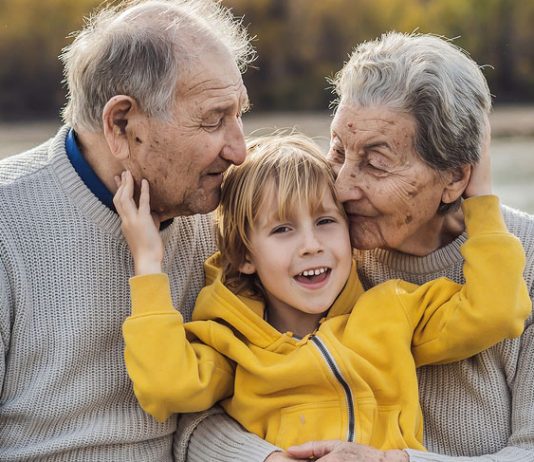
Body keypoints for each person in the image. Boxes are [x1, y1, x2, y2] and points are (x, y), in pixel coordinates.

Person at [114, 133, 529, 456]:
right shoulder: (231, 342)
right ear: (243, 255)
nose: (311, 245)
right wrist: (148, 264)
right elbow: (167, 388)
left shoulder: (393, 310)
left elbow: (495, 310)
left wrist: (482, 201)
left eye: (326, 221)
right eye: (282, 229)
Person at [0, 0, 260, 460]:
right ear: (121, 123)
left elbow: (213, 402)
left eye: (239, 114)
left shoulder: (219, 214)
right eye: (214, 119)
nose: (239, 150)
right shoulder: (8, 222)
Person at [283, 32, 534, 462]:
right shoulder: (309, 251)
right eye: (338, 150)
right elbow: (207, 417)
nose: (341, 188)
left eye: (376, 163)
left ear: (455, 178)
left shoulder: (525, 258)